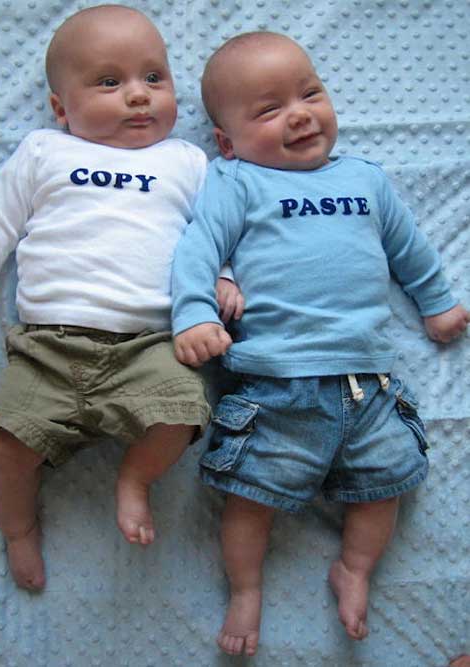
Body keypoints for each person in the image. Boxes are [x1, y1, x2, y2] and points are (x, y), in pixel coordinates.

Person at [171, 32, 470, 656]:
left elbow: (409, 249)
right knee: (250, 495)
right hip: (278, 385)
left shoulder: (366, 178)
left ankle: (354, 569)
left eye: (310, 94)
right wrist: (194, 313)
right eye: (269, 109)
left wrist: (438, 303)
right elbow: (198, 249)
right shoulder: (237, 180)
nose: (300, 115)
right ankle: (246, 589)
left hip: (371, 385)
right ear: (227, 141)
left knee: (388, 481)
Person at [0, 4, 243, 592]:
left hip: (151, 345)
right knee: (9, 439)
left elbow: (211, 232)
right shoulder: (44, 151)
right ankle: (18, 529)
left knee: (181, 412)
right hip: (47, 348)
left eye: (154, 77)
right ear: (61, 109)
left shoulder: (186, 161)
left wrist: (222, 276)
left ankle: (135, 480)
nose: (139, 95)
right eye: (109, 82)